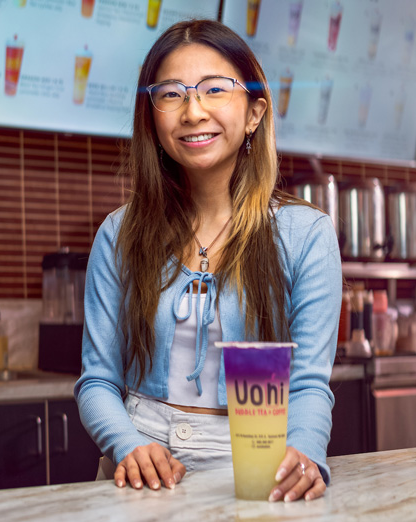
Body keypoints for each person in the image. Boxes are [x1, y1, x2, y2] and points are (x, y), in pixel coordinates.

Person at [74, 19, 342, 503]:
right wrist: (128, 445)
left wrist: (304, 453)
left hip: (258, 465)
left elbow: (308, 386)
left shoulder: (307, 235)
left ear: (255, 112)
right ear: (152, 119)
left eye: (214, 89)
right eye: (172, 94)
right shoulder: (119, 233)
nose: (193, 111)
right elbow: (97, 380)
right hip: (141, 469)